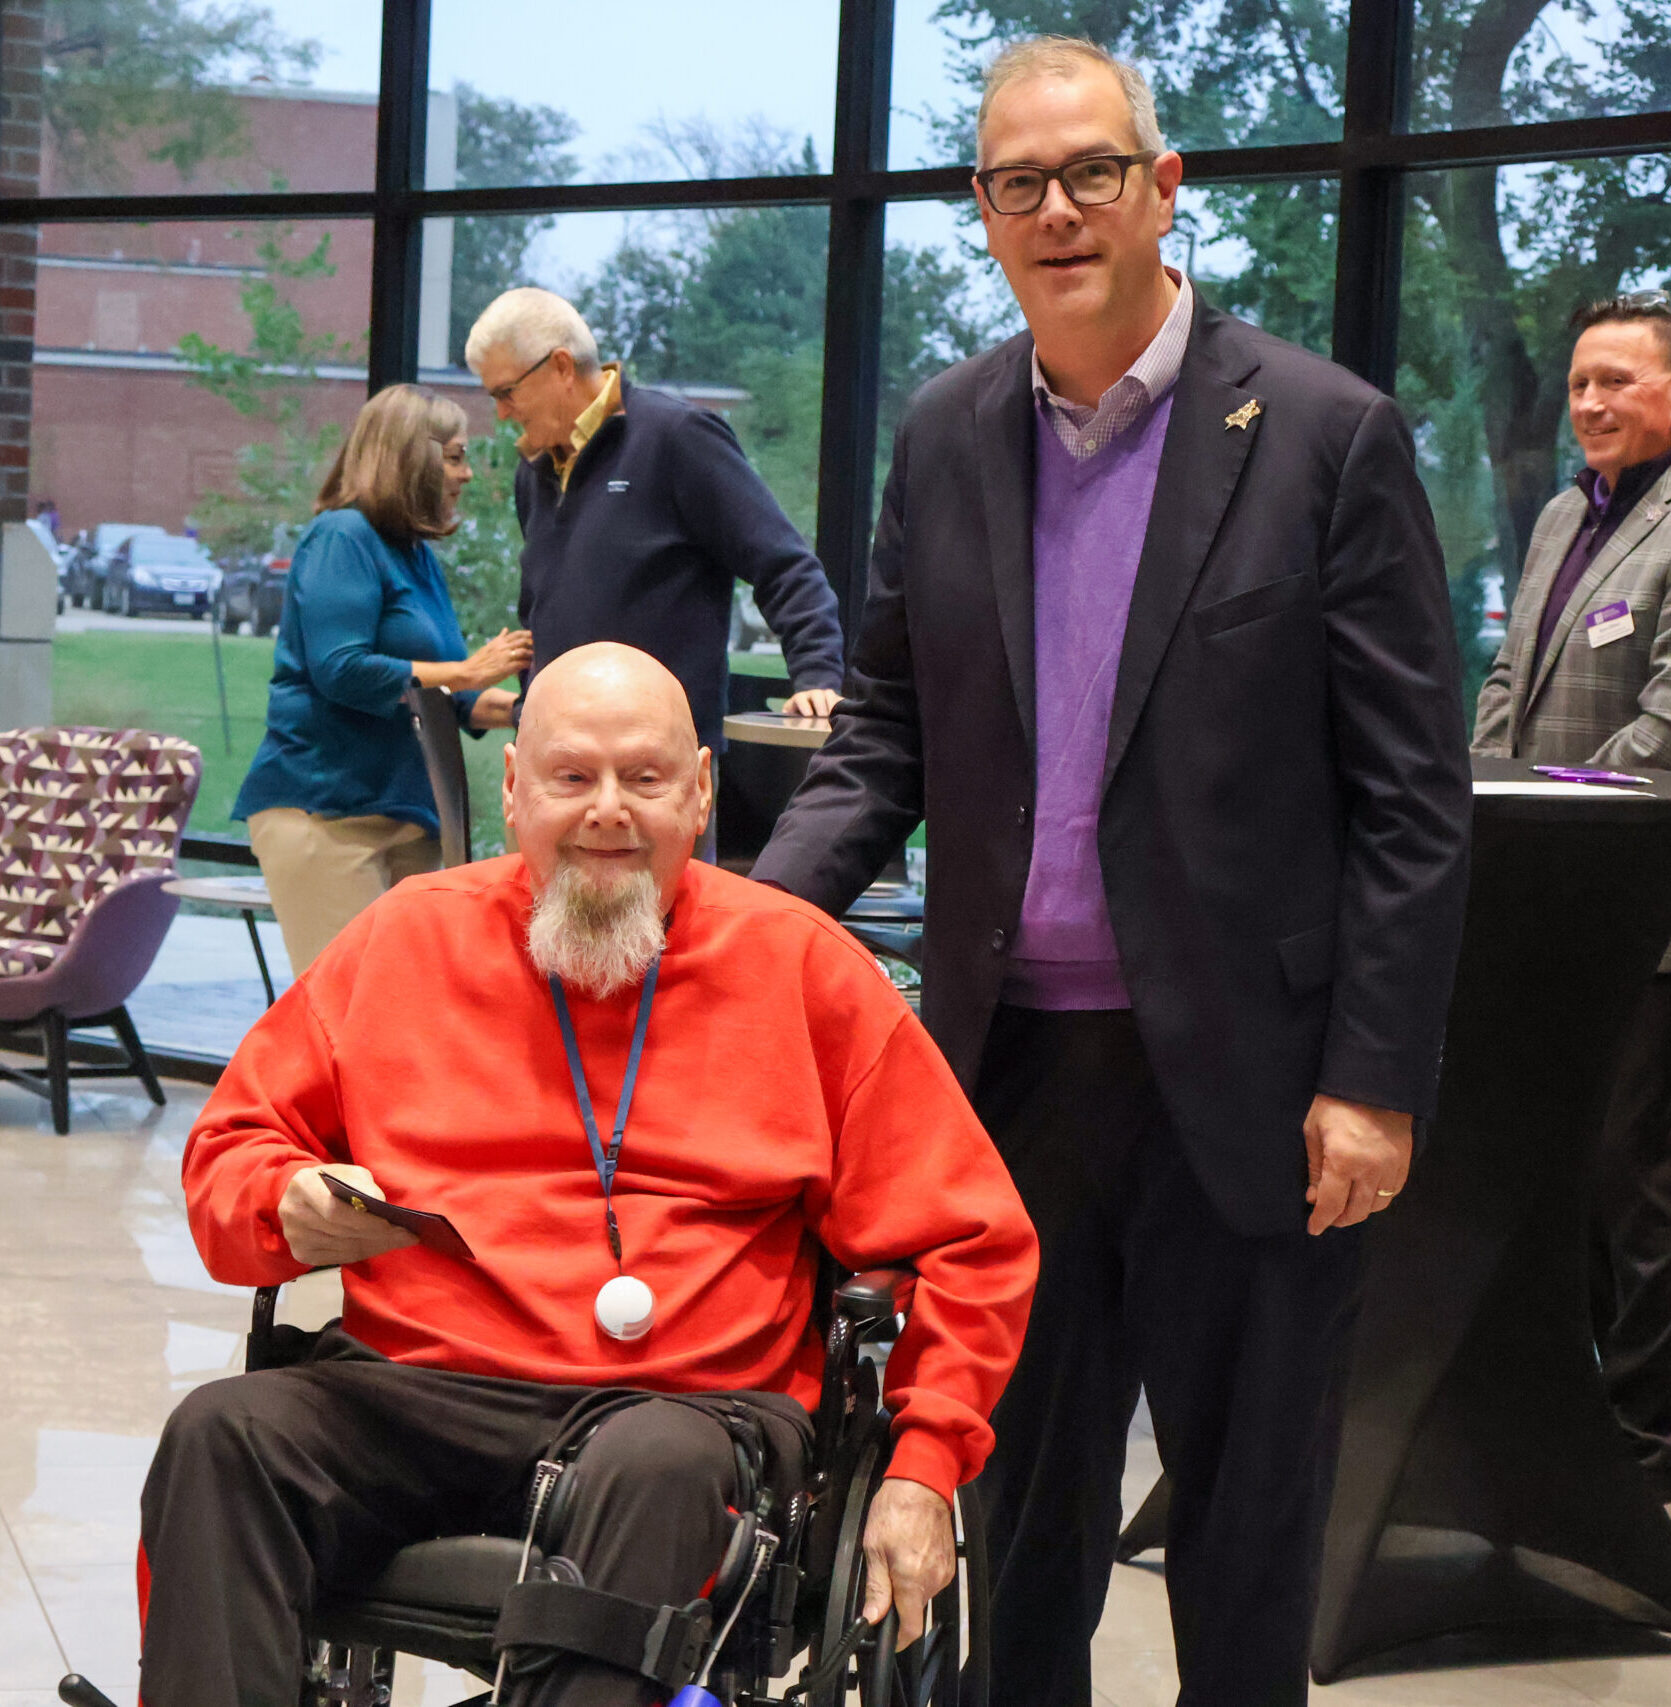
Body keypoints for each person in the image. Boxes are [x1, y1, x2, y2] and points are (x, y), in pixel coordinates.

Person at [752, 36, 1473, 1707]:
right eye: (1017, 183)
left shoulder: (1323, 433)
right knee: (1009, 1518)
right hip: (1004, 1087)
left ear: (1164, 189)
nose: (1055, 208)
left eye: (1089, 172)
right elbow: (880, 736)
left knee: (1242, 1531)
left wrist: (1372, 1078)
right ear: (984, 217)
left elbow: (1411, 799)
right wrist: (741, 926)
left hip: (1255, 1083)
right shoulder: (939, 438)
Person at [138, 643, 1038, 1707]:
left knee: (655, 1465)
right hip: (420, 1390)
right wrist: (281, 1201)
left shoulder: (801, 970)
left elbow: (973, 1237)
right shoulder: (403, 944)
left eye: (644, 779)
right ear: (512, 788)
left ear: (700, 792)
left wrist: (925, 1465)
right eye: (571, 778)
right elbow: (229, 1155)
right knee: (221, 1435)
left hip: (688, 1414)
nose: (607, 810)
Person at [1472, 292, 1671, 1523]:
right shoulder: (1570, 509)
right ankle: (1560, 1415)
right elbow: (1514, 674)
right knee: (1560, 1171)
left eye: (1619, 382)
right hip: (1547, 896)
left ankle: (1652, 1449)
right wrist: (1474, 799)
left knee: (1644, 1179)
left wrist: (1544, 830)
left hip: (1660, 914)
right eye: (1578, 384)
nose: (1591, 404)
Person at [234, 384, 532, 975]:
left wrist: (533, 710)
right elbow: (341, 669)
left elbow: (453, 697)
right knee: (350, 1013)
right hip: (328, 814)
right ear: (409, 457)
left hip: (408, 815)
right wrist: (467, 669)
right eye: (454, 456)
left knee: (408, 1011)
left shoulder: (415, 555)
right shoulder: (341, 537)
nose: (467, 474)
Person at [463, 286, 846, 743]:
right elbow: (542, 612)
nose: (502, 413)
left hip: (660, 764)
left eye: (506, 392)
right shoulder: (534, 472)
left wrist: (817, 678)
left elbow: (784, 565)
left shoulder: (677, 438)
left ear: (561, 366)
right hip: (558, 757)